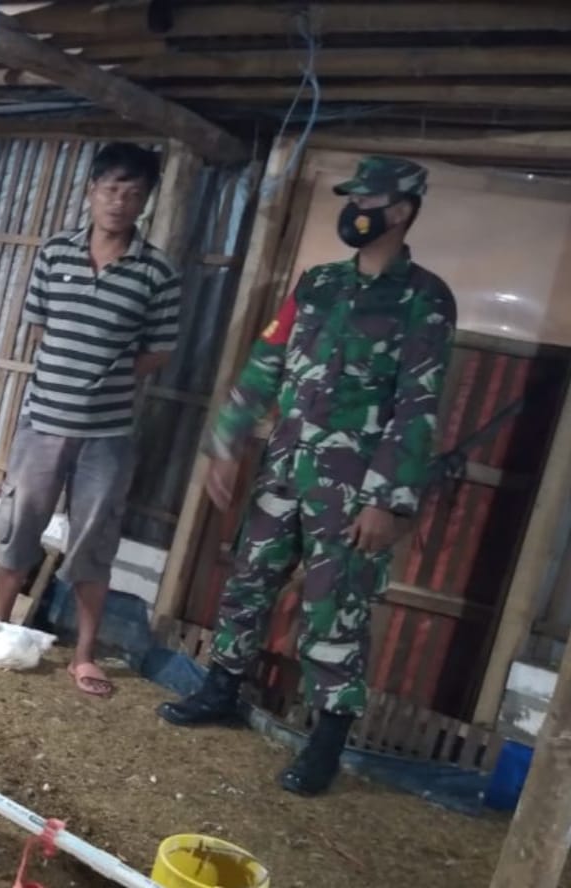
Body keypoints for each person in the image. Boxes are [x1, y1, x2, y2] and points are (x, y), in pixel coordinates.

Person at [157, 156, 457, 796]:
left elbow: (418, 407)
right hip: (285, 466)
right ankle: (221, 689)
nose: (355, 211)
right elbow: (267, 361)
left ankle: (327, 742)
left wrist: (386, 501)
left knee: (335, 606)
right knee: (249, 578)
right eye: (353, 199)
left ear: (401, 210)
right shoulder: (318, 284)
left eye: (367, 201)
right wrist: (225, 443)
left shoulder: (424, 299)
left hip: (352, 488)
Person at [0, 142, 181, 697]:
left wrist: (106, 379)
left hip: (108, 434)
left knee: (94, 540)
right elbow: (38, 325)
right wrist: (68, 377)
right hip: (42, 420)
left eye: (133, 193)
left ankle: (85, 656)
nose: (120, 202)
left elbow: (159, 351)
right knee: (19, 525)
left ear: (146, 201)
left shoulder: (158, 272)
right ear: (91, 190)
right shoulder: (55, 253)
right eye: (111, 189)